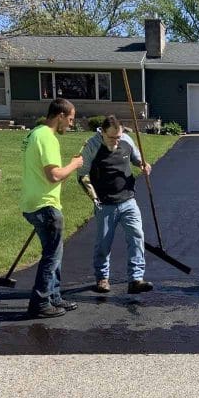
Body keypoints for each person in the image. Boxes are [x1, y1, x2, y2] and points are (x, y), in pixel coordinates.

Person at [20, 98, 83, 318]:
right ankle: (40, 303)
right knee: (51, 256)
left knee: (55, 252)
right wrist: (74, 165)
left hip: (32, 202)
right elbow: (54, 175)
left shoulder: (34, 134)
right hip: (45, 205)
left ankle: (54, 297)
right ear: (60, 116)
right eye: (71, 119)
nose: (71, 124)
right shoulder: (47, 137)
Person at [77, 115, 153, 294]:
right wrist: (95, 200)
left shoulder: (126, 140)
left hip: (128, 200)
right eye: (111, 138)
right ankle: (102, 278)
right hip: (105, 204)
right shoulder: (92, 146)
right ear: (102, 132)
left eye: (118, 137)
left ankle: (136, 279)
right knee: (104, 243)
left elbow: (137, 160)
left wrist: (144, 165)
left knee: (137, 236)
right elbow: (82, 176)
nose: (116, 141)